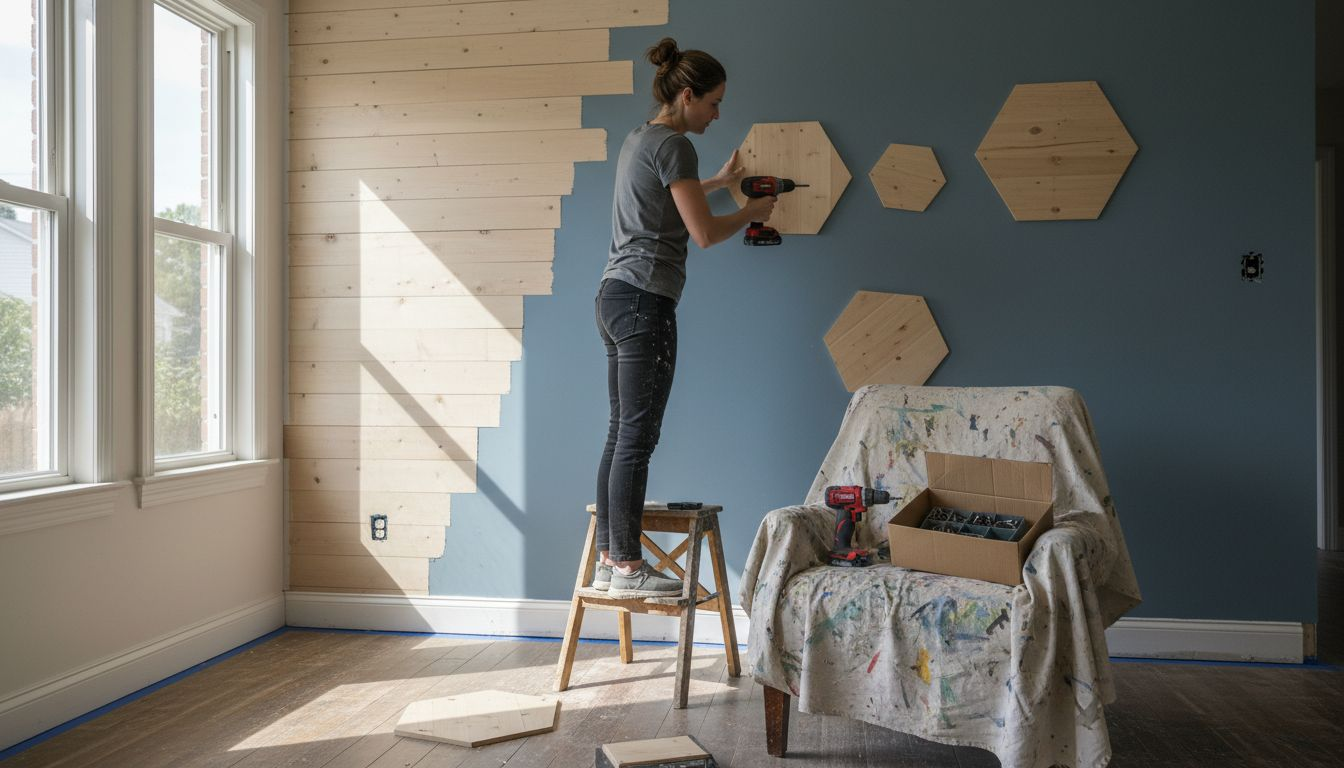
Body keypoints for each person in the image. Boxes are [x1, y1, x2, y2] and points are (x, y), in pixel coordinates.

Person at [592, 37, 777, 599]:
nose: (718, 114)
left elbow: (666, 198)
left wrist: (718, 183)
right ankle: (627, 566)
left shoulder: (641, 138)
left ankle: (610, 557)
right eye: (714, 103)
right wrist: (749, 211)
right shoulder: (676, 146)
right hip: (646, 300)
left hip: (614, 296)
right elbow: (702, 233)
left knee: (621, 433)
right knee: (637, 440)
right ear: (688, 95)